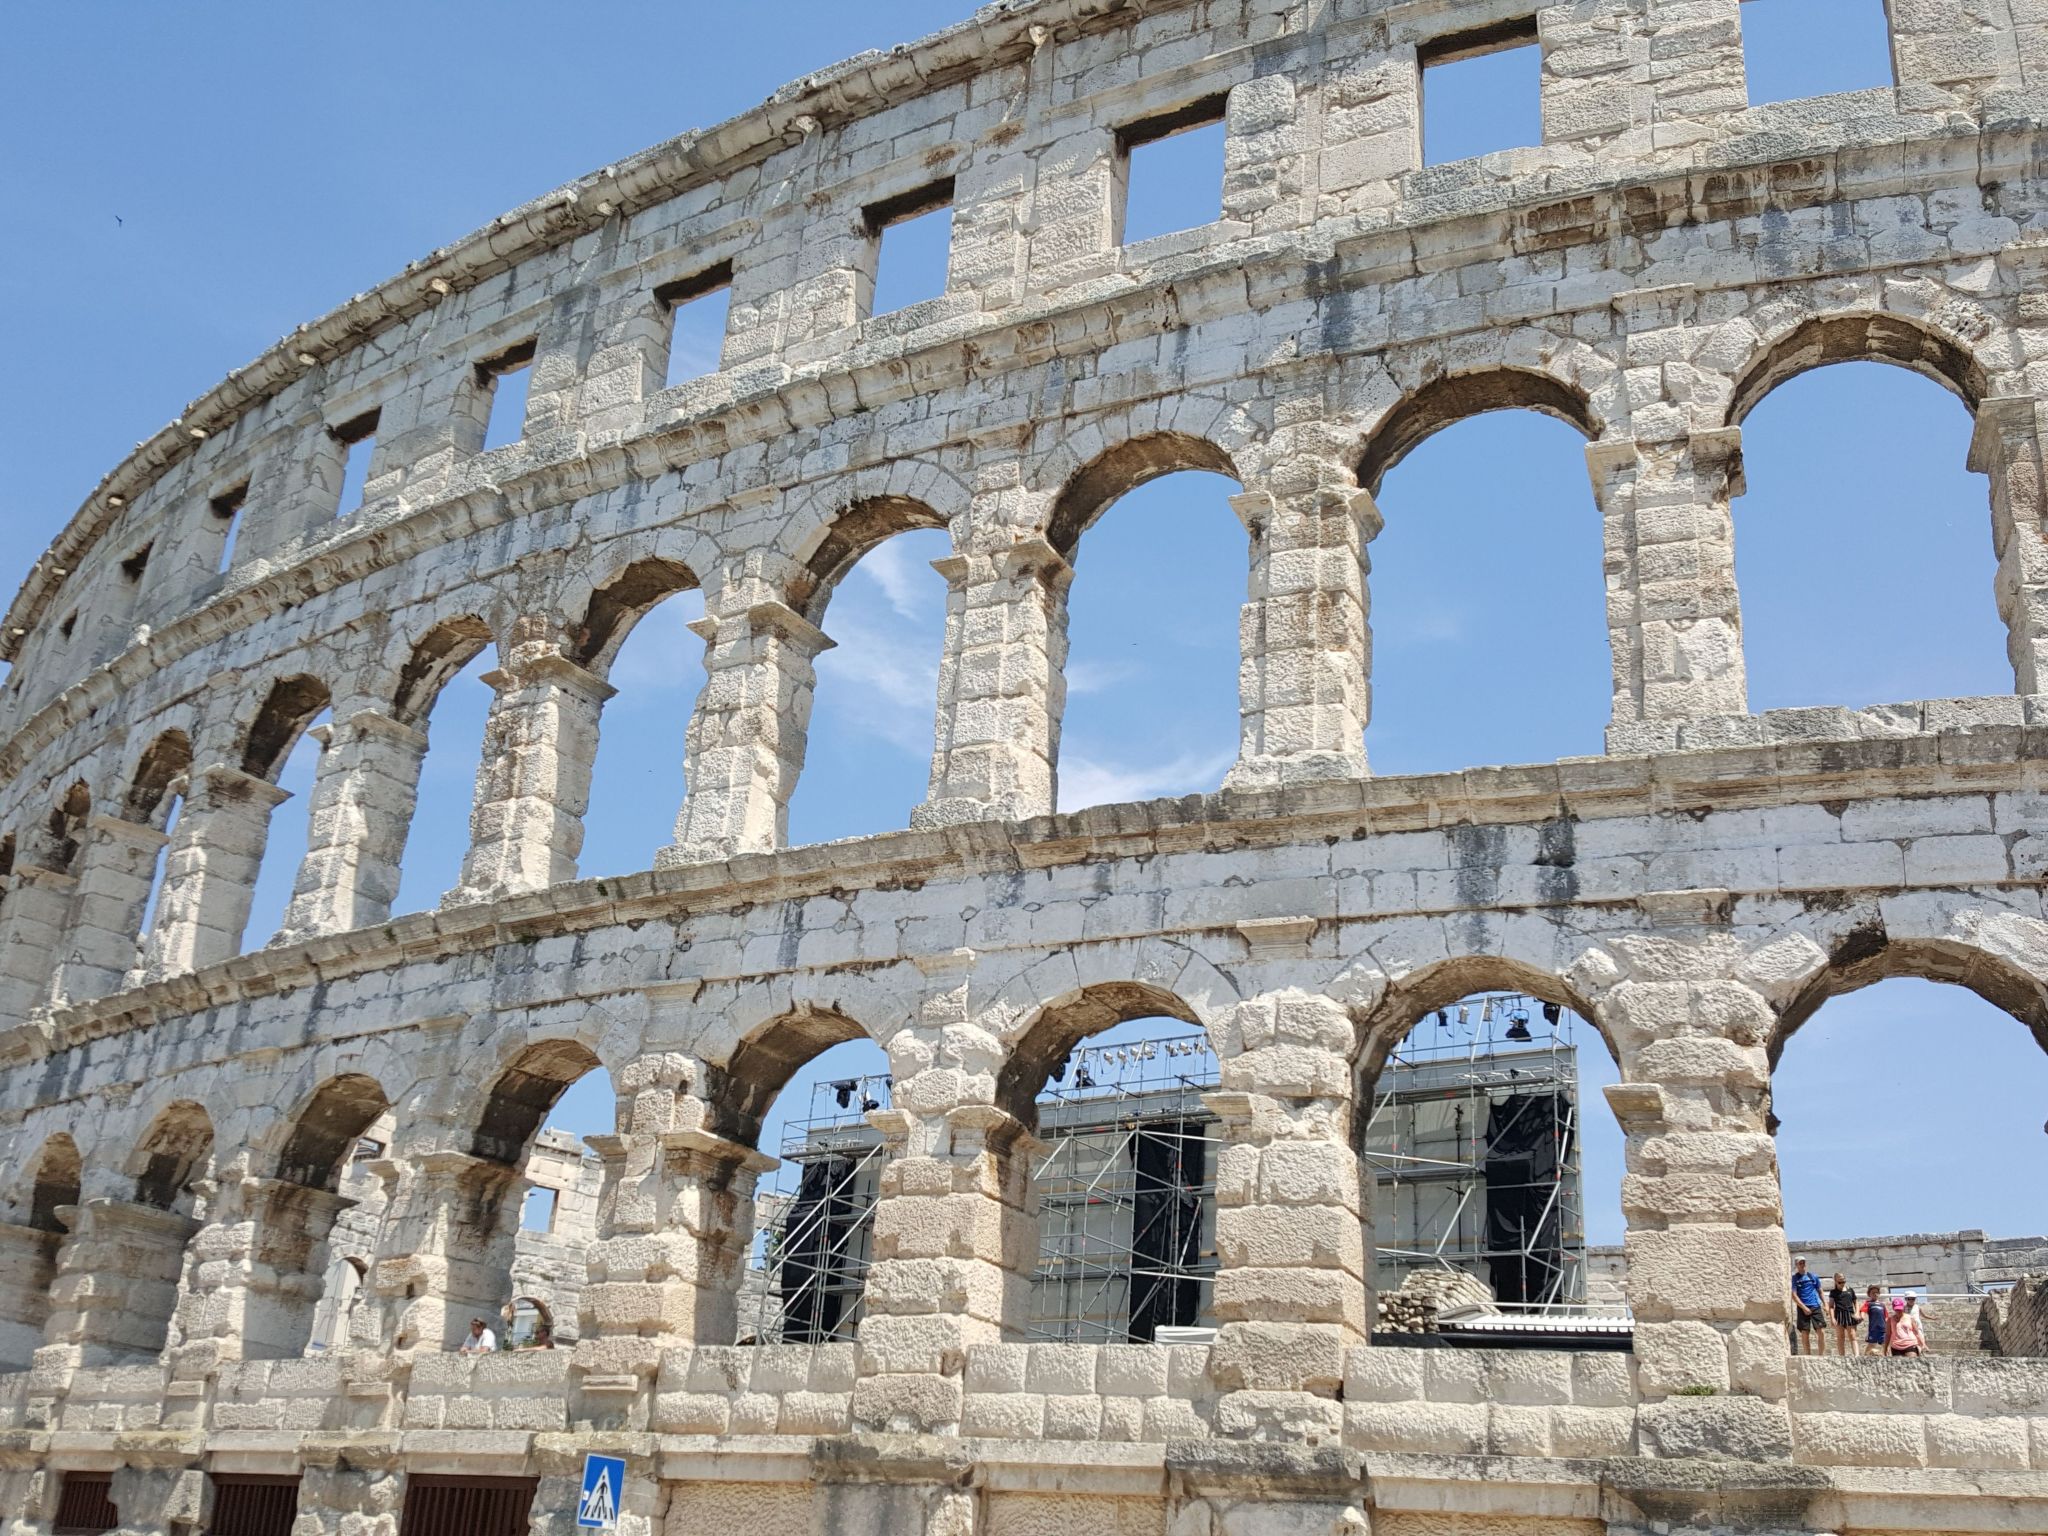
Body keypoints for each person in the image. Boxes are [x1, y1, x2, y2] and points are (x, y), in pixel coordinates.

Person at [1791, 1256, 1824, 1354]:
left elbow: (1820, 1291)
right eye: (1800, 1263)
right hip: (1802, 1307)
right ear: (1796, 1265)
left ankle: (1821, 1355)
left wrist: (1825, 1304)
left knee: (1821, 1331)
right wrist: (1804, 1307)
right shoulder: (1794, 1278)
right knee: (1805, 1332)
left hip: (1815, 1305)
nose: (1802, 1265)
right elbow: (1794, 1295)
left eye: (1803, 1262)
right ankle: (1807, 1355)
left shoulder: (1813, 1276)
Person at [1827, 1272, 1858, 1357]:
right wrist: (1832, 1318)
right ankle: (1842, 1356)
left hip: (1850, 1313)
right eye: (1839, 1282)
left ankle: (1856, 1355)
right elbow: (1831, 1306)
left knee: (1852, 1335)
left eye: (1843, 1281)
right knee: (1840, 1336)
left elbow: (1855, 1302)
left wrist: (1857, 1312)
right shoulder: (1833, 1292)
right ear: (1835, 1281)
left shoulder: (1850, 1290)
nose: (1842, 1284)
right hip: (1839, 1314)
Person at [1858, 1283, 1889, 1356]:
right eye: (1873, 1292)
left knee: (1885, 1347)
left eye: (1877, 1292)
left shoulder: (1882, 1305)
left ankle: (1887, 1359)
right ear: (1869, 1294)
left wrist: (1889, 1327)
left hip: (1883, 1329)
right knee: (1871, 1345)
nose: (1875, 1294)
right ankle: (1864, 1359)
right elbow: (1863, 1311)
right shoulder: (1868, 1303)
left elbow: (1886, 1317)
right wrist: (1862, 1317)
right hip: (1873, 1329)